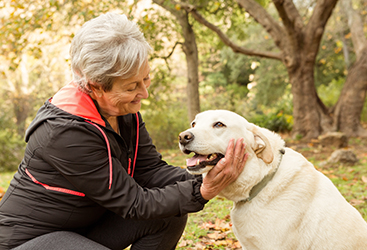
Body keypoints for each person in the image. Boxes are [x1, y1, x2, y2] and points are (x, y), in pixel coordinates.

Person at [0, 13, 248, 250]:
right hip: (31, 241)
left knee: (170, 214)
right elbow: (134, 202)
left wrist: (213, 174)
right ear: (95, 86)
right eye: (132, 87)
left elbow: (150, 171)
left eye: (146, 80)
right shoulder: (63, 134)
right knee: (171, 204)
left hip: (83, 228)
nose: (144, 93)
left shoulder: (121, 111)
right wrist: (202, 191)